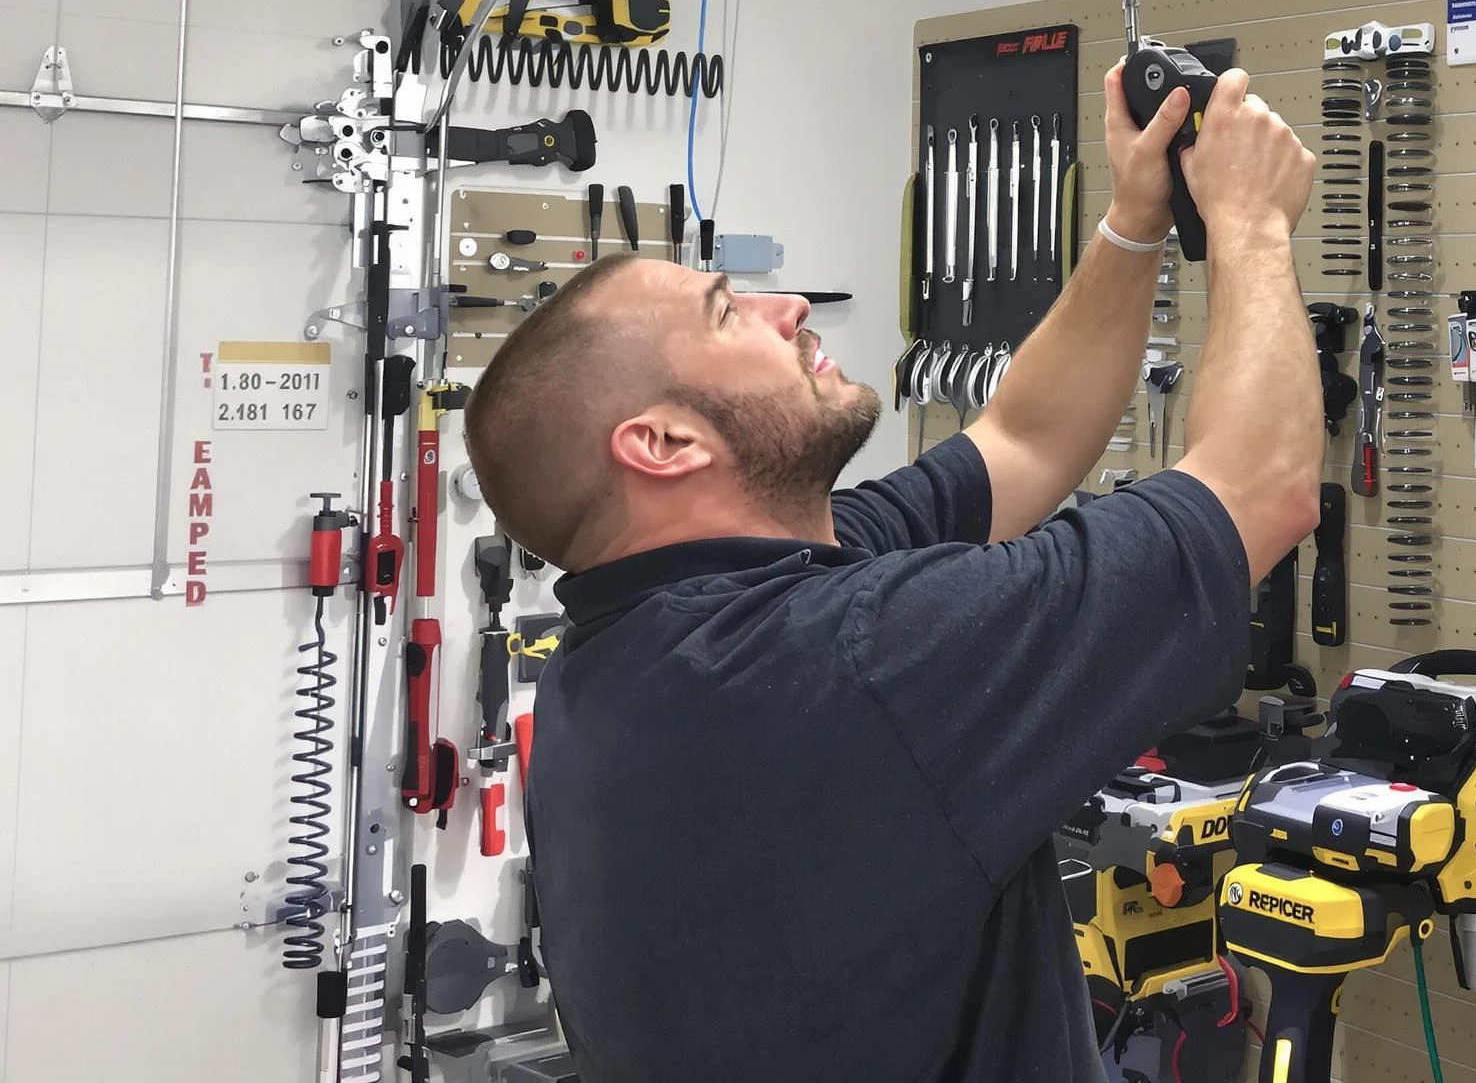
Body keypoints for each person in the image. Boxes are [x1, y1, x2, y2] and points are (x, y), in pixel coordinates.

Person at [460, 63, 1321, 1083]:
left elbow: (1023, 440)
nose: (787, 305)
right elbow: (1262, 487)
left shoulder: (648, 642)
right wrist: (1251, 225)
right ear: (663, 440)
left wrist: (1135, 218)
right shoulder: (850, 659)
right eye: (729, 310)